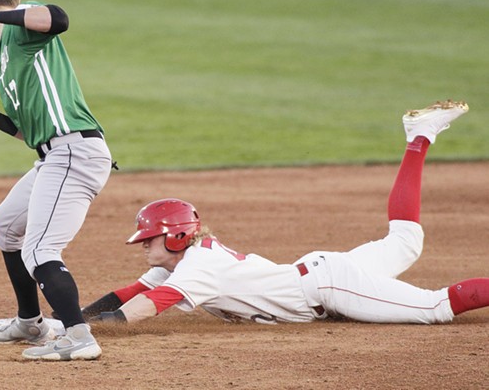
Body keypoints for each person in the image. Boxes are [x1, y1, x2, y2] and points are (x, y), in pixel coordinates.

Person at [71, 100, 489, 327]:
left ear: (177, 237)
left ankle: (420, 135)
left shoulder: (199, 267)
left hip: (330, 287)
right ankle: (419, 135)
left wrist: (80, 331)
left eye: (149, 239)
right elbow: (128, 294)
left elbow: (143, 309)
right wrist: (70, 318)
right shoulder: (185, 260)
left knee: (435, 307)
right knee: (404, 241)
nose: (142, 245)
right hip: (323, 273)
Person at [0, 0, 112, 361]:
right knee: (5, 227)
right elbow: (32, 132)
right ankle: (29, 322)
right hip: (53, 153)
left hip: (75, 153)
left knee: (40, 249)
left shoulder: (24, 23)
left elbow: (58, 18)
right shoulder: (2, 59)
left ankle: (79, 337)